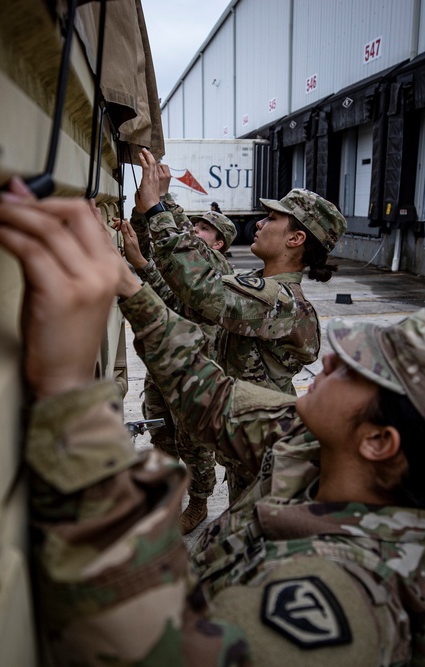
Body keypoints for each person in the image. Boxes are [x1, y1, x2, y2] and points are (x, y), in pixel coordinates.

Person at [0, 181, 425, 666]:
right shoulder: (304, 443)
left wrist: (69, 395)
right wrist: (127, 285)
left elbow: (158, 653)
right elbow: (208, 390)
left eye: (356, 371)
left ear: (378, 441)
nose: (328, 362)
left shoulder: (348, 596)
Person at [134, 148, 347, 503]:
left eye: (272, 219)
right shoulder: (257, 284)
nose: (259, 224)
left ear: (296, 239)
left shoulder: (279, 301)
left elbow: (202, 286)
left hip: (266, 446)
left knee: (258, 533)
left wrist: (156, 210)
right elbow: (205, 260)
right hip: (249, 433)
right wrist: (166, 199)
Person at [115, 185, 237, 533]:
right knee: (162, 434)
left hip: (192, 375)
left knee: (194, 445)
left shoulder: (215, 270)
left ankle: (199, 501)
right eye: (195, 226)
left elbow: (176, 301)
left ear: (217, 245)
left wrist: (142, 264)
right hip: (162, 366)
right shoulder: (188, 268)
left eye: (202, 230)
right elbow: (166, 298)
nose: (193, 232)